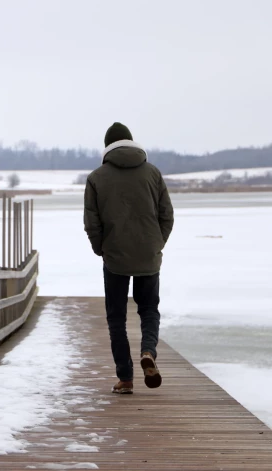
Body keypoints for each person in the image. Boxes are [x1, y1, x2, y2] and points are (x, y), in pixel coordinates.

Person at [83, 122, 174, 394]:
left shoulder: (96, 177)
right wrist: (156, 244)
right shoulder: (153, 173)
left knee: (116, 318)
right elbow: (166, 215)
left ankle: (125, 378)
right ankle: (148, 350)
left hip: (115, 259)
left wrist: (102, 249)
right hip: (148, 255)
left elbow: (92, 222)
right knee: (148, 310)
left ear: (107, 147)